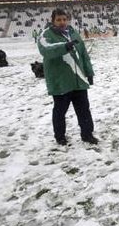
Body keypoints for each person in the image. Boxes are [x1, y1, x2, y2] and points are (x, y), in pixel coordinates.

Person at [37, 8, 98, 146]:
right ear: (52, 21)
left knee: (84, 110)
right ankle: (60, 137)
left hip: (79, 80)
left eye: (64, 19)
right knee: (60, 112)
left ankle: (87, 134)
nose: (62, 22)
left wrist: (89, 72)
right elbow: (46, 50)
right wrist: (65, 46)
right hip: (61, 82)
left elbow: (83, 55)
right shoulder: (46, 35)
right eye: (58, 20)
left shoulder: (73, 33)